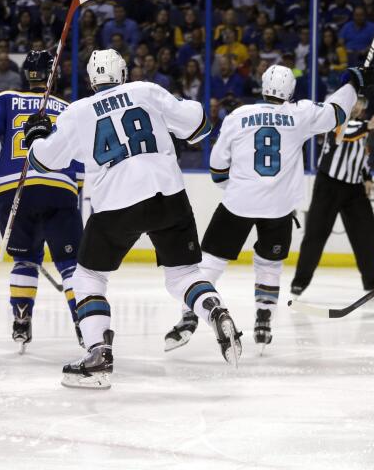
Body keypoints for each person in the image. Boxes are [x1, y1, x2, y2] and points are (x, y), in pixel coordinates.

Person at [24, 48, 240, 389]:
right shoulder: (146, 90)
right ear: (122, 73)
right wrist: (175, 104)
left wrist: (37, 135)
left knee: (89, 278)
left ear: (91, 79)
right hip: (168, 194)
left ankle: (98, 354)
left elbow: (45, 162)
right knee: (183, 275)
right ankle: (214, 309)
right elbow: (199, 126)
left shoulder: (78, 111)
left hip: (116, 202)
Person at [162, 64, 367, 352]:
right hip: (279, 208)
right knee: (269, 265)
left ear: (262, 86)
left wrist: (234, 187)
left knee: (210, 261)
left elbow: (218, 166)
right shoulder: (300, 114)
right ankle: (263, 320)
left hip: (238, 203)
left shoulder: (238, 116)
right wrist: (351, 86)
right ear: (290, 91)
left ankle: (189, 316)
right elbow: (337, 113)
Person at [0, 50, 84, 352]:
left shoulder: (6, 99)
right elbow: (79, 161)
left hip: (14, 188)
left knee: (25, 259)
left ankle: (21, 321)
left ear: (26, 74)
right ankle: (84, 322)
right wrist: (73, 191)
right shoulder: (70, 109)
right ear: (57, 76)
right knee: (69, 263)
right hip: (58, 187)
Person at [290, 97, 374, 297]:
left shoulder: (362, 128)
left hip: (354, 188)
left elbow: (362, 154)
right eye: (356, 101)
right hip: (328, 185)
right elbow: (346, 134)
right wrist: (369, 125)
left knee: (367, 234)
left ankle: (372, 282)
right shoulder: (334, 119)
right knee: (316, 233)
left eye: (362, 103)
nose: (358, 106)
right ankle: (300, 281)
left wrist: (367, 177)